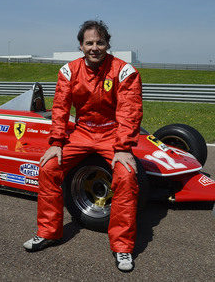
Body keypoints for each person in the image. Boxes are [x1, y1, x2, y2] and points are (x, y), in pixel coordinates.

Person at [23, 20, 143, 272]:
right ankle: (49, 232)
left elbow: (129, 111)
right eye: (89, 43)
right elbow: (60, 108)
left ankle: (122, 248)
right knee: (47, 167)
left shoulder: (124, 71)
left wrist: (123, 148)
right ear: (81, 46)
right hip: (82, 132)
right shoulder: (68, 71)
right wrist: (56, 142)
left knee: (127, 175)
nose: (95, 47)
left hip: (112, 133)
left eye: (100, 42)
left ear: (108, 44)